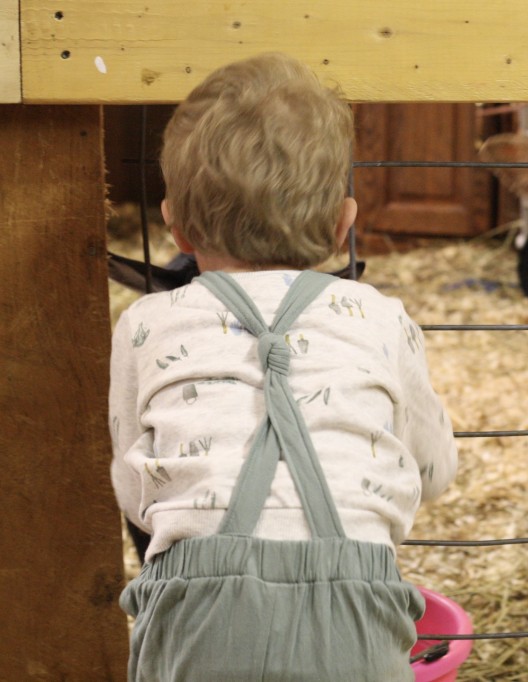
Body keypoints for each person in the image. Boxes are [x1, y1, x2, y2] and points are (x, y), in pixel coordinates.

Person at [109, 52, 459, 681]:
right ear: (341, 225)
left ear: (175, 229)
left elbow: (138, 495)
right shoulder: (382, 319)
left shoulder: (145, 325)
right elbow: (433, 472)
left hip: (197, 622)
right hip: (354, 621)